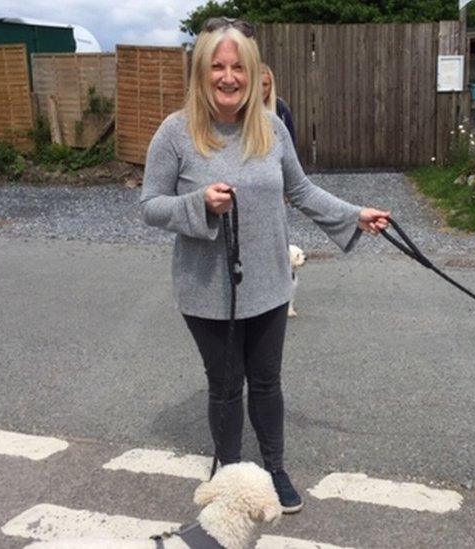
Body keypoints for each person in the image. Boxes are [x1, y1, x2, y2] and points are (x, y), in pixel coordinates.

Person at [139, 17, 390, 514]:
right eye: (218, 66)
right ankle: (228, 470)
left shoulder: (270, 127)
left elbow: (300, 191)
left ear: (253, 74)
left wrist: (355, 216)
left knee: (268, 382)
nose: (228, 77)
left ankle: (274, 467)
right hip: (207, 289)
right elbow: (150, 205)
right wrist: (198, 203)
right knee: (227, 385)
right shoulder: (175, 132)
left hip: (270, 283)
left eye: (238, 67)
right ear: (201, 72)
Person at [261, 64, 296, 147]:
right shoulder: (243, 109)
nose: (261, 89)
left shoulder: (281, 108)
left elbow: (291, 143)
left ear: (271, 86)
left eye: (265, 84)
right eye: (257, 84)